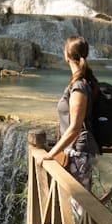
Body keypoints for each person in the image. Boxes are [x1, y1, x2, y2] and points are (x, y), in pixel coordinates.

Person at [38, 35, 100, 191]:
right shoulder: (83, 81)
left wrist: (51, 154)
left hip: (78, 155)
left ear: (67, 55)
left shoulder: (79, 86)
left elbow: (75, 128)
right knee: (76, 207)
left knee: (79, 207)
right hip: (76, 153)